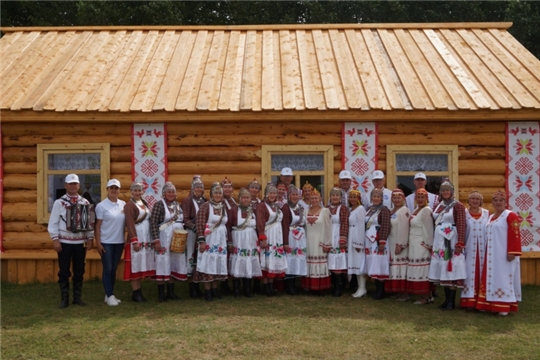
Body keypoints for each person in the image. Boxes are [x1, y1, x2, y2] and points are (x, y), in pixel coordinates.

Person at [48, 173, 94, 308]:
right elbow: (53, 223)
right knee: (64, 271)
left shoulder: (84, 202)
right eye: (71, 184)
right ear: (66, 185)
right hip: (64, 242)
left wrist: (90, 237)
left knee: (79, 270)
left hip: (80, 242)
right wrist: (55, 240)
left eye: (75, 184)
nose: (73, 186)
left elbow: (88, 222)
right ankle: (64, 298)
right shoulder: (59, 202)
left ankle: (77, 298)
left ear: (79, 185)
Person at [475, 191, 522, 316]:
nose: (498, 203)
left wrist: (512, 251)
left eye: (501, 200)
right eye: (495, 200)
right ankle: (488, 304)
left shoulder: (510, 215)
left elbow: (515, 234)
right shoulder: (491, 217)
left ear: (505, 202)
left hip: (504, 254)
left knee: (503, 278)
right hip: (491, 254)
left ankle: (503, 305)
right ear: (492, 203)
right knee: (491, 277)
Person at [428, 179, 467, 311]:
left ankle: (451, 301)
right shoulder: (439, 205)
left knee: (451, 268)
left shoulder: (458, 206)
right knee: (444, 267)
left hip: (452, 240)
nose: (445, 192)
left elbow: (462, 225)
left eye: (447, 190)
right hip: (439, 240)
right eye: (443, 190)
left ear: (452, 191)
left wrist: (460, 242)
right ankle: (446, 300)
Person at [150, 182, 186, 302]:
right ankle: (161, 294)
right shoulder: (159, 205)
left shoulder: (177, 205)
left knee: (172, 262)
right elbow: (153, 223)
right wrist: (156, 240)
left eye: (173, 192)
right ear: (164, 193)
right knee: (162, 262)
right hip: (163, 237)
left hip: (176, 239)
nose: (171, 194)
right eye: (169, 191)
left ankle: (171, 292)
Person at [194, 182, 229, 301]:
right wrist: (201, 241)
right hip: (209, 238)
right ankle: (208, 291)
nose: (218, 195)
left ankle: (214, 290)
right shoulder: (205, 206)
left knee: (217, 262)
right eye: (216, 193)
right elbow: (199, 224)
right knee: (208, 262)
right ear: (211, 194)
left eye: (220, 193)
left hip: (220, 240)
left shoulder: (223, 206)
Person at [95, 179, 126, 306]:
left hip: (119, 241)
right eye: (111, 188)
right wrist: (98, 243)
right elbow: (97, 226)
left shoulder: (124, 204)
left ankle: (109, 294)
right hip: (106, 241)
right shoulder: (101, 206)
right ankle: (110, 295)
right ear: (107, 190)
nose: (114, 190)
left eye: (116, 188)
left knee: (113, 268)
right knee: (107, 268)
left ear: (119, 190)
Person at [123, 182, 155, 302]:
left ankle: (139, 291)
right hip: (136, 236)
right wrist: (134, 240)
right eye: (135, 190)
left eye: (139, 190)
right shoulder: (129, 205)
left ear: (143, 191)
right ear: (131, 192)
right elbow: (130, 224)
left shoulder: (144, 203)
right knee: (135, 265)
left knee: (141, 263)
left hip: (145, 237)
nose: (137, 192)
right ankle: (135, 292)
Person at [227, 188, 262, 297]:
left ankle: (247, 289)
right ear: (239, 199)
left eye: (248, 198)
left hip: (251, 239)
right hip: (238, 239)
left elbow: (258, 226)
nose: (246, 200)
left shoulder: (253, 210)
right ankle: (236, 289)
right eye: (244, 198)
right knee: (238, 261)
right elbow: (228, 227)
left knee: (249, 261)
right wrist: (230, 242)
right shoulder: (233, 210)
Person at [256, 183, 288, 296]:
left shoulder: (277, 206)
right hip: (268, 235)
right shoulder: (262, 206)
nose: (272, 195)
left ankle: (271, 286)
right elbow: (260, 222)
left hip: (277, 237)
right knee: (266, 260)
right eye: (270, 193)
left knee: (274, 261)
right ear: (266, 194)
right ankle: (266, 287)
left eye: (274, 193)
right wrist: (262, 238)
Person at [460, 191, 489, 309]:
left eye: (477, 199)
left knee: (483, 273)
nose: (475, 201)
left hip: (483, 249)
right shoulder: (464, 213)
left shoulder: (487, 214)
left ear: (481, 201)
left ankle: (482, 300)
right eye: (473, 198)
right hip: (469, 249)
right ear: (469, 200)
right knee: (469, 274)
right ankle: (469, 301)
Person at [406, 189, 434, 304]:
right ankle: (422, 294)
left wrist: (428, 245)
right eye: (418, 197)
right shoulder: (417, 209)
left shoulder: (426, 211)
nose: (420, 199)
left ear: (426, 199)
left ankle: (426, 296)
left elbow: (428, 229)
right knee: (416, 267)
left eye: (423, 197)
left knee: (423, 269)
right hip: (413, 242)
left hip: (421, 244)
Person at [303, 188, 332, 294]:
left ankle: (320, 287)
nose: (314, 200)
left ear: (320, 199)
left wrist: (327, 243)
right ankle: (309, 286)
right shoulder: (305, 211)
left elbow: (328, 229)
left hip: (320, 240)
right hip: (308, 241)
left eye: (316, 198)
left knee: (319, 262)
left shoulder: (325, 211)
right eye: (312, 198)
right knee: (309, 261)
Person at [181, 175, 206, 298]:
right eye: (197, 187)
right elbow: (185, 219)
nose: (199, 189)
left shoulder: (204, 201)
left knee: (199, 258)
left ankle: (197, 285)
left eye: (201, 187)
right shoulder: (187, 200)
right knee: (191, 258)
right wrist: (196, 227)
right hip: (192, 233)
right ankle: (192, 288)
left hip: (202, 234)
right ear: (192, 188)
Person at [364, 188, 392, 300]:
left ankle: (381, 291)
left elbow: (386, 226)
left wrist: (382, 241)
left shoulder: (384, 210)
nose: (375, 198)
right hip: (369, 241)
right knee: (373, 262)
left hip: (378, 240)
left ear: (381, 198)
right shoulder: (369, 209)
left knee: (380, 263)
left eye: (378, 197)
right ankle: (376, 289)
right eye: (374, 196)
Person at [282, 185, 307, 295]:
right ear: (288, 196)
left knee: (298, 258)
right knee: (290, 259)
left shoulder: (300, 208)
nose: (295, 197)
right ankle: (289, 286)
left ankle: (295, 284)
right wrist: (285, 242)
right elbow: (285, 225)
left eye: (296, 194)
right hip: (291, 236)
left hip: (300, 237)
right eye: (293, 194)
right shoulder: (286, 208)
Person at [385, 189, 410, 301]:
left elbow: (404, 229)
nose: (396, 200)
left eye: (398, 198)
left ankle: (404, 293)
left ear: (403, 199)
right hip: (391, 241)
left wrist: (401, 244)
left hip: (399, 242)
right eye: (394, 198)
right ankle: (396, 291)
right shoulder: (391, 210)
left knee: (401, 267)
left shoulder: (405, 211)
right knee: (394, 266)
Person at [327, 187, 350, 297]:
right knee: (330, 260)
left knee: (338, 261)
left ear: (341, 197)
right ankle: (333, 284)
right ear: (330, 197)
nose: (335, 197)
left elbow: (345, 223)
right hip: (328, 236)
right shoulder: (326, 208)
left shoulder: (343, 208)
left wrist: (343, 238)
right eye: (333, 195)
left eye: (337, 195)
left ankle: (339, 286)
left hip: (338, 235)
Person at [347, 189, 367, 298]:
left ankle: (362, 287)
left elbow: (361, 226)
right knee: (354, 262)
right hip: (350, 236)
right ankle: (359, 286)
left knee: (359, 262)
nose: (352, 199)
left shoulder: (360, 209)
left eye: (355, 197)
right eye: (351, 197)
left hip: (356, 237)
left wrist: (359, 243)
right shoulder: (351, 209)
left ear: (358, 199)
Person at [220, 176, 236, 296]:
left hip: (233, 232)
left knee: (230, 258)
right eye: (225, 187)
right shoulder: (220, 201)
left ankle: (230, 284)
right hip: (224, 232)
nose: (227, 189)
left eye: (229, 187)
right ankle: (223, 285)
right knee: (224, 258)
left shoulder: (233, 200)